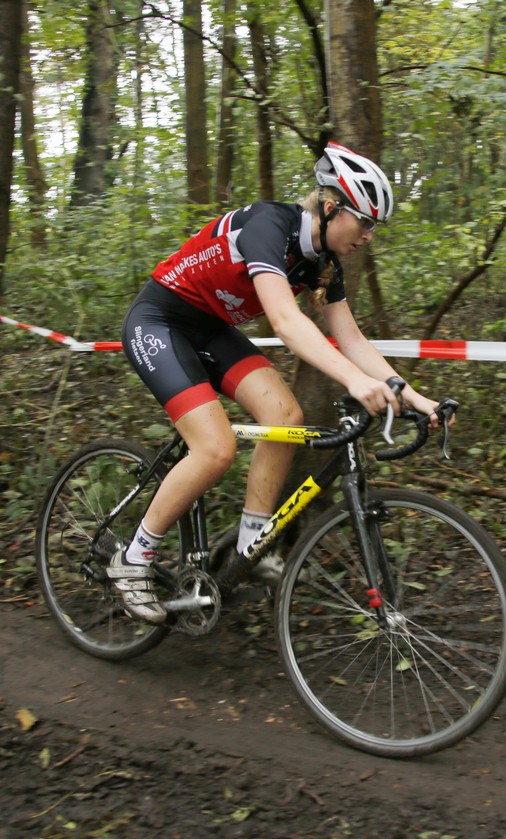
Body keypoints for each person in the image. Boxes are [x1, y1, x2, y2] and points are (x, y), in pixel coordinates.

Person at [113, 142, 443, 623]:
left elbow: (351, 339)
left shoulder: (322, 263)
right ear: (331, 207)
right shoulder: (268, 226)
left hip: (209, 330)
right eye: (365, 222)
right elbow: (286, 322)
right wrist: (354, 382)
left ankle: (251, 546)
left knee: (285, 417)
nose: (369, 235)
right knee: (215, 449)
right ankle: (133, 558)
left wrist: (413, 397)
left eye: (375, 226)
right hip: (159, 322)